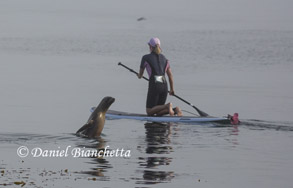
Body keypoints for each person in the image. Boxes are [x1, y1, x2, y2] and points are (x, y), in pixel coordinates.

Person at [137, 37, 182, 116]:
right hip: (164, 86)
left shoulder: (145, 58)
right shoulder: (165, 59)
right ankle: (176, 110)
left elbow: (140, 75)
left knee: (149, 111)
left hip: (155, 86)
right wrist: (172, 89)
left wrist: (139, 75)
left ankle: (167, 105)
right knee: (158, 111)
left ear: (150, 46)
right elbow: (170, 75)